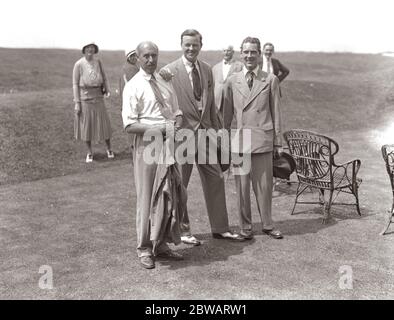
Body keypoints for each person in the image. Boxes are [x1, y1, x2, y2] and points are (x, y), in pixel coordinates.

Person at [160, 29, 244, 245]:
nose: (191, 48)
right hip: (183, 136)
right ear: (181, 45)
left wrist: (219, 133)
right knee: (181, 185)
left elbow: (211, 108)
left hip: (206, 134)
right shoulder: (168, 71)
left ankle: (221, 228)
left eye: (195, 45)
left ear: (200, 45)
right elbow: (163, 105)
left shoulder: (207, 69)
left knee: (215, 178)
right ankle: (183, 231)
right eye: (187, 44)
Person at [122, 41, 185, 269]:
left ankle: (162, 244)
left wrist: (175, 126)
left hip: (168, 143)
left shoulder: (165, 82)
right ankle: (144, 248)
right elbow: (129, 126)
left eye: (154, 56)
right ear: (138, 58)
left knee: (168, 194)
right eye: (146, 56)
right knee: (147, 196)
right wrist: (160, 130)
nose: (150, 60)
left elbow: (177, 112)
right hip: (147, 143)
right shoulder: (134, 85)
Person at [222, 37, 284, 240]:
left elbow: (276, 113)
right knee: (241, 188)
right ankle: (245, 228)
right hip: (240, 141)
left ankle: (267, 225)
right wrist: (225, 139)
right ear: (241, 53)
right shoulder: (232, 80)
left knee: (264, 188)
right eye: (246, 52)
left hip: (262, 140)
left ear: (259, 55)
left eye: (253, 52)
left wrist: (278, 142)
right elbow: (227, 115)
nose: (249, 56)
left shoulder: (270, 79)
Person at [73, 42, 114, 163]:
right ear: (84, 50)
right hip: (85, 98)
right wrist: (77, 102)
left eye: (92, 48)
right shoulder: (78, 64)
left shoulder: (98, 62)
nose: (90, 50)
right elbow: (75, 84)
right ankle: (89, 152)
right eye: (88, 48)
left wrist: (107, 89)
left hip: (98, 97)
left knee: (104, 125)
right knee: (86, 126)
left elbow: (104, 77)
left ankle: (109, 149)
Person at [212, 45, 243, 120]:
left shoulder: (240, 66)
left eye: (228, 51)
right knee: (219, 125)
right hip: (218, 101)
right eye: (224, 51)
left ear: (233, 52)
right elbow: (212, 85)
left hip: (233, 100)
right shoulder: (215, 67)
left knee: (232, 124)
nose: (226, 53)